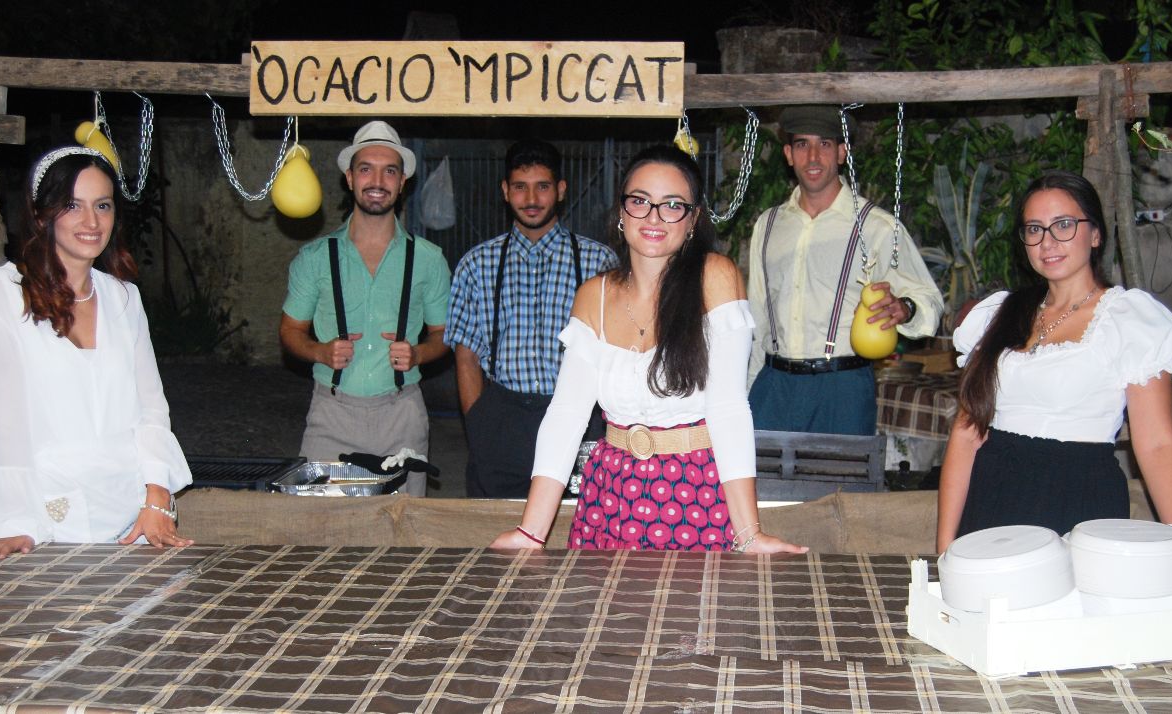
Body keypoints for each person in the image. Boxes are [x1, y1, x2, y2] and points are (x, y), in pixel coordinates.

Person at [490, 145, 807, 553]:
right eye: (640, 201)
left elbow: (728, 408)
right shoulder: (593, 295)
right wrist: (531, 531)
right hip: (610, 494)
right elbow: (566, 414)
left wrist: (750, 534)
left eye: (672, 205)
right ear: (622, 213)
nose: (654, 217)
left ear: (692, 220)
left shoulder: (715, 277)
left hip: (695, 491)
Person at [935, 170, 1172, 553]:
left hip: (1079, 497)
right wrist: (945, 547)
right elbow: (966, 432)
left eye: (1063, 225)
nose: (1047, 242)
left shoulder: (1129, 320)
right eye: (1034, 229)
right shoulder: (999, 315)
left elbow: (1156, 443)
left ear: (1095, 234)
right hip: (992, 494)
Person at [0, 146, 193, 560]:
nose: (92, 221)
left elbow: (151, 410)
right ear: (41, 214)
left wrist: (157, 497)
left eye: (102, 205)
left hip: (135, 518)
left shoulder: (124, 298)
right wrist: (13, 522)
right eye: (72, 205)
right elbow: (7, 422)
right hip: (51, 520)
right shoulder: (5, 293)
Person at [747, 104, 942, 435]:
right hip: (773, 388)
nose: (812, 157)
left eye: (824, 144)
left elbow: (930, 303)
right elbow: (757, 318)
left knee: (842, 472)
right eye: (802, 144)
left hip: (842, 389)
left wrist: (905, 308)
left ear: (841, 153)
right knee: (761, 472)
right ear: (788, 155)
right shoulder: (768, 225)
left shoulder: (877, 227)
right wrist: (748, 392)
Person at [280, 121, 451, 496]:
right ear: (349, 178)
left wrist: (419, 353)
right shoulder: (315, 258)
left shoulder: (428, 260)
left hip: (402, 415)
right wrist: (320, 351)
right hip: (332, 415)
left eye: (389, 171)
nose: (377, 181)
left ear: (402, 181)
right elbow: (290, 331)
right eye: (366, 169)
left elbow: (443, 335)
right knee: (319, 525)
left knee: (404, 526)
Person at [445, 139, 617, 497]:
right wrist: (479, 426)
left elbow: (615, 352)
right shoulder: (477, 264)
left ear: (561, 190)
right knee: (494, 523)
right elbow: (466, 357)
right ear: (505, 191)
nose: (532, 198)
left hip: (578, 415)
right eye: (520, 187)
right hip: (502, 418)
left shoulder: (598, 262)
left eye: (543, 186)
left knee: (579, 523)